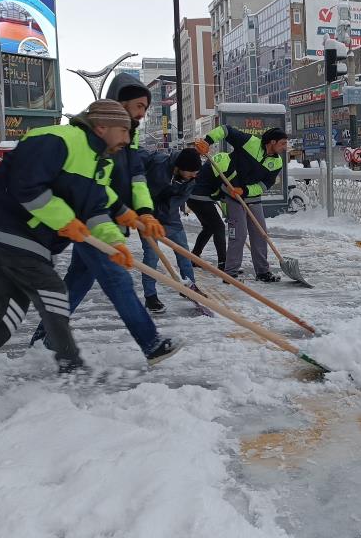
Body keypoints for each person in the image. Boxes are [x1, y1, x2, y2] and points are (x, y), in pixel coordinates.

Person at [0, 100, 135, 399]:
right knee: (52, 292)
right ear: (102, 127)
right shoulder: (57, 139)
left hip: (28, 238)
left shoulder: (98, 161)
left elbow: (94, 210)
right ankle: (72, 367)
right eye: (124, 130)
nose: (127, 139)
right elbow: (25, 184)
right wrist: (65, 220)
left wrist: (114, 243)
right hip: (9, 226)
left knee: (10, 311)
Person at [29, 75, 179, 364]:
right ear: (120, 102)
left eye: (145, 108)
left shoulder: (129, 137)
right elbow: (92, 182)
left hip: (112, 220)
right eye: (139, 106)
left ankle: (44, 336)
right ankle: (151, 344)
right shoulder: (97, 134)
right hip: (93, 218)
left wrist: (145, 212)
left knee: (77, 283)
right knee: (117, 280)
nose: (142, 113)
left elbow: (137, 178)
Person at [195, 125, 288, 282]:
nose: (285, 147)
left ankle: (263, 272)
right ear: (272, 141)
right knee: (238, 234)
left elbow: (265, 185)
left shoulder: (277, 162)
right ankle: (230, 273)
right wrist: (207, 141)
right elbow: (225, 130)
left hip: (251, 197)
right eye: (283, 143)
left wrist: (245, 191)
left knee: (260, 234)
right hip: (232, 193)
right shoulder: (250, 142)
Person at [139, 147, 203, 312]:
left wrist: (164, 216)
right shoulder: (158, 163)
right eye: (191, 172)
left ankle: (189, 287)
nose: (194, 175)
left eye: (196, 172)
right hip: (147, 216)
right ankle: (150, 297)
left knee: (184, 253)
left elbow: (179, 200)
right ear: (180, 166)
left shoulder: (190, 179)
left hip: (170, 218)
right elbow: (140, 185)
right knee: (151, 256)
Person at [185, 151, 233, 271]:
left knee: (209, 228)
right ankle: (223, 263)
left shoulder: (221, 157)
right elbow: (220, 190)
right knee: (219, 227)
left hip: (192, 197)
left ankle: (194, 257)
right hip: (202, 198)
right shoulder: (228, 165)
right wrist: (222, 200)